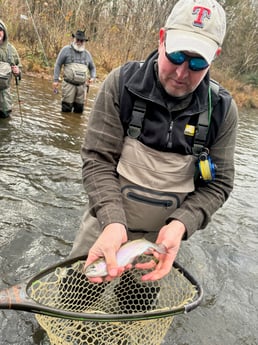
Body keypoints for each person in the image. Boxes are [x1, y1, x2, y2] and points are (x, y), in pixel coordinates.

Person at [70, 0, 238, 283]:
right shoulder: (121, 85)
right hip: (105, 225)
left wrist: (182, 224)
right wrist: (112, 220)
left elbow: (219, 184)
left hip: (160, 244)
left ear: (214, 57)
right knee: (77, 293)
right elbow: (97, 160)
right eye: (175, 56)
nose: (182, 73)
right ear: (162, 39)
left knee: (135, 309)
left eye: (197, 63)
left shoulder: (222, 110)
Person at [53, 30, 96, 113]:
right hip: (68, 85)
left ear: (84, 42)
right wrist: (55, 80)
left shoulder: (87, 54)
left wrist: (93, 77)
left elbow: (93, 68)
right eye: (78, 40)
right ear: (74, 39)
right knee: (66, 109)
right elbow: (58, 64)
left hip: (82, 87)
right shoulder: (65, 50)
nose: (79, 42)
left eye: (81, 40)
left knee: (79, 110)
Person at [0, 20, 22, 119]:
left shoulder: (11, 50)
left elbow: (19, 69)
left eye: (0, 30)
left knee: (5, 121)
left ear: (4, 32)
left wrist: (18, 72)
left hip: (4, 97)